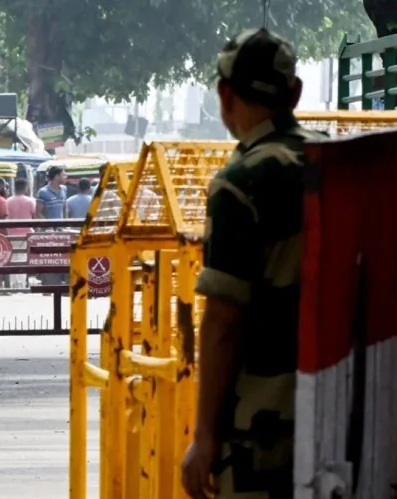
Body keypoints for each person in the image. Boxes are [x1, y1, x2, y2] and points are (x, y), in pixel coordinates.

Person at [180, 28, 318, 499]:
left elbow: (223, 320)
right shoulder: (332, 163)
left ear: (224, 95)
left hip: (265, 426)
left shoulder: (240, 183)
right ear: (294, 93)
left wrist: (204, 437)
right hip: (346, 411)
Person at [6, 178, 37, 288]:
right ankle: (21, 284)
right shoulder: (30, 201)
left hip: (11, 233)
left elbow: (6, 217)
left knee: (12, 258)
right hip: (26, 233)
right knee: (23, 258)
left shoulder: (8, 201)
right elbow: (34, 215)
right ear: (26, 187)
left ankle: (13, 284)